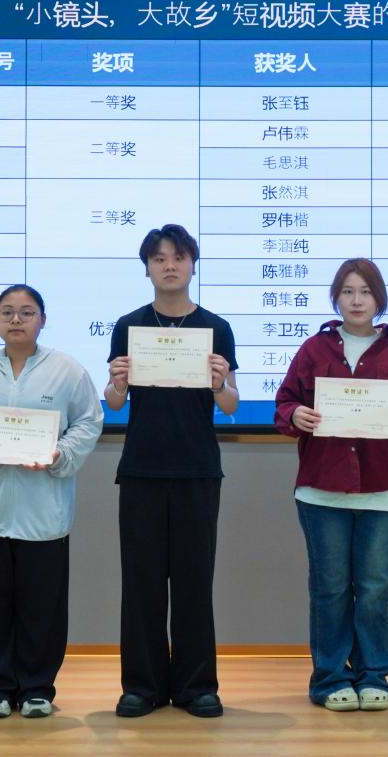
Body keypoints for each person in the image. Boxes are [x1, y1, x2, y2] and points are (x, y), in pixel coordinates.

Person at [0, 284, 103, 719]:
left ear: (42, 320)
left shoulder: (66, 371)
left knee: (42, 607)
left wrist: (60, 454)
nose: (16, 319)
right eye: (6, 312)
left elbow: (88, 421)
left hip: (43, 510)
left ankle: (36, 688)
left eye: (26, 312)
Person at [274, 258, 388, 712]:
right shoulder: (313, 349)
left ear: (379, 298)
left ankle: (373, 675)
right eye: (347, 291)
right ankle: (329, 677)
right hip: (321, 489)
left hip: (384, 490)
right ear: (336, 298)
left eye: (365, 291)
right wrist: (295, 415)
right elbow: (284, 405)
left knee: (375, 587)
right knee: (330, 589)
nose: (357, 300)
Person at [105, 224, 238, 719]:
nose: (169, 266)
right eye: (159, 258)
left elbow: (230, 404)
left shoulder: (215, 327)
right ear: (147, 268)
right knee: (140, 582)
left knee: (193, 582)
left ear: (192, 265)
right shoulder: (129, 325)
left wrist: (219, 383)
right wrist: (116, 383)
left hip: (197, 469)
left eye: (178, 257)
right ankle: (142, 686)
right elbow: (114, 402)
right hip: (141, 468)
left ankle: (196, 685)